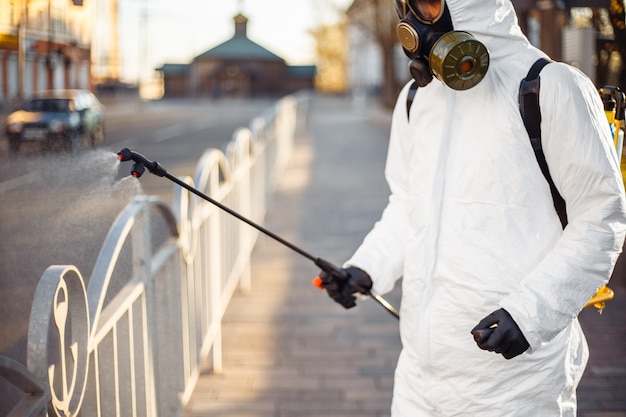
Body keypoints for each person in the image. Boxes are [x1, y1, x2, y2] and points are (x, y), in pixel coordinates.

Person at [318, 0, 626, 415]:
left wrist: (531, 314)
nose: (413, 19)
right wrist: (367, 268)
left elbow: (600, 219)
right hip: (418, 378)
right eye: (408, 4)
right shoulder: (415, 98)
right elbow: (408, 205)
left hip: (515, 384)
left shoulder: (549, 87)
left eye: (427, 2)